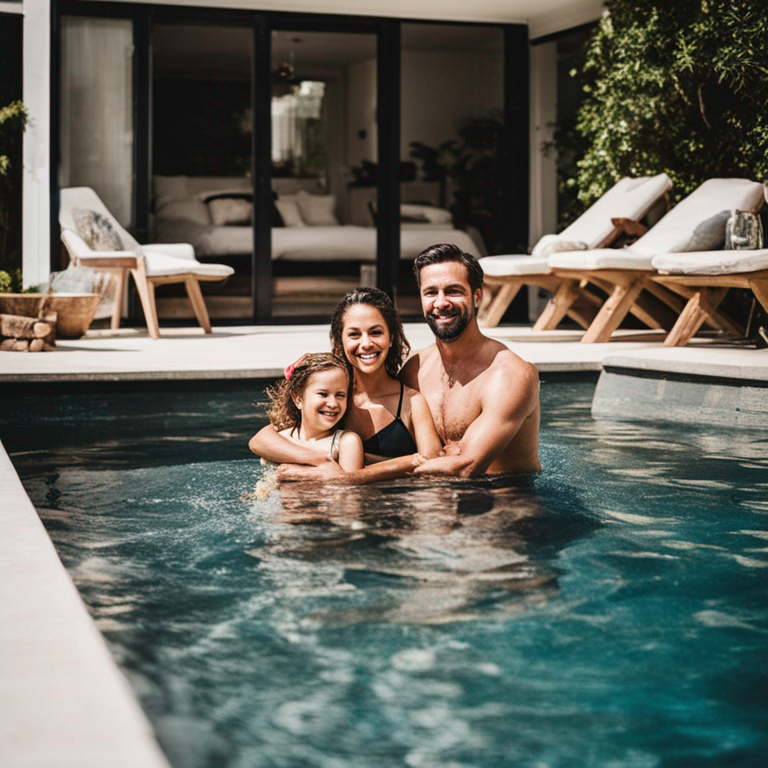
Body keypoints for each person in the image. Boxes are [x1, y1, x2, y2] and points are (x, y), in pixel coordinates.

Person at [277, 243, 541, 483]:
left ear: (477, 297)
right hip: (433, 499)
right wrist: (316, 371)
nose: (441, 302)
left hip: (505, 501)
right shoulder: (417, 368)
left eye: (453, 291)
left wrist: (344, 478)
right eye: (430, 292)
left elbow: (464, 467)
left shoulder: (509, 375)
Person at [248, 288, 442, 469]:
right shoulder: (331, 395)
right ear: (340, 341)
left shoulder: (411, 402)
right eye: (354, 334)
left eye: (376, 332)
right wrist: (321, 460)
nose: (366, 344)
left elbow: (433, 465)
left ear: (391, 338)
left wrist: (353, 472)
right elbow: (260, 441)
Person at [252, 352, 364, 472]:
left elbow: (349, 487)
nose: (333, 403)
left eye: (340, 395)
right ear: (298, 399)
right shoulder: (282, 438)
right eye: (323, 394)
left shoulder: (346, 443)